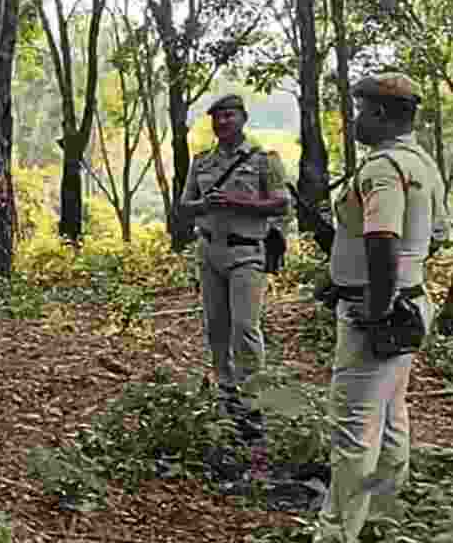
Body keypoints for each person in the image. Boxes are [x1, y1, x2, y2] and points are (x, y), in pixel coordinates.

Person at [314, 72, 447, 542]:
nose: (355, 120)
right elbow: (434, 236)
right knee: (391, 414)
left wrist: (375, 303)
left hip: (380, 313)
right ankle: (387, 514)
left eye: (360, 110)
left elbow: (383, 239)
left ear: (381, 114)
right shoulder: (423, 164)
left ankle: (336, 534)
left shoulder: (382, 167)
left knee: (352, 432)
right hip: (411, 303)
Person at [177, 94, 289, 475]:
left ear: (242, 118)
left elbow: (281, 203)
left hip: (247, 254)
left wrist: (242, 202)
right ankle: (226, 397)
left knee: (246, 327)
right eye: (217, 116)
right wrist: (204, 204)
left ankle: (252, 400)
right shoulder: (202, 163)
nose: (223, 121)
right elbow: (184, 206)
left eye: (229, 115)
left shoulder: (263, 160)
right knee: (217, 328)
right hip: (210, 253)